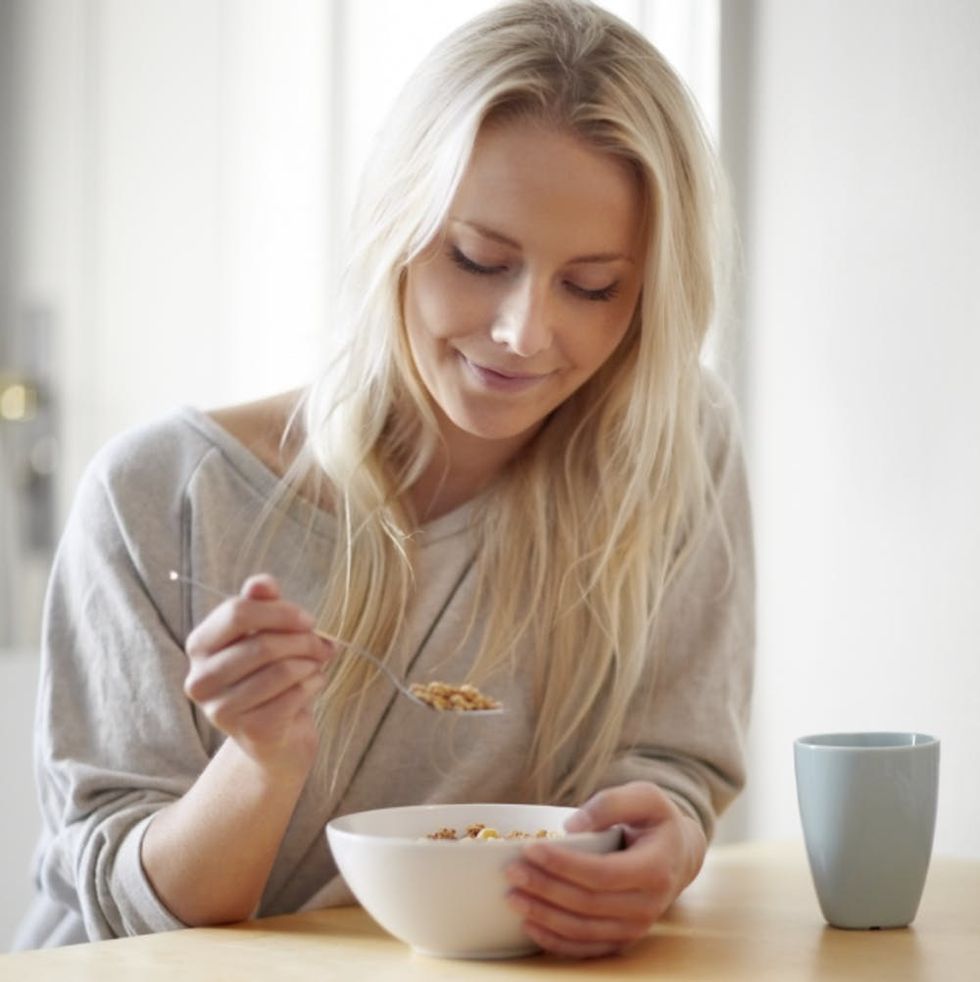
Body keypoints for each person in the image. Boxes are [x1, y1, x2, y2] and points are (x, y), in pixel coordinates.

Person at [15, 0, 754, 959]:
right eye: (479, 260)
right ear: (393, 227)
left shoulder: (670, 446)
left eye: (591, 286)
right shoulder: (159, 497)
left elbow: (674, 765)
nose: (524, 332)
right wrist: (261, 763)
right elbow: (130, 918)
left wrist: (667, 844)